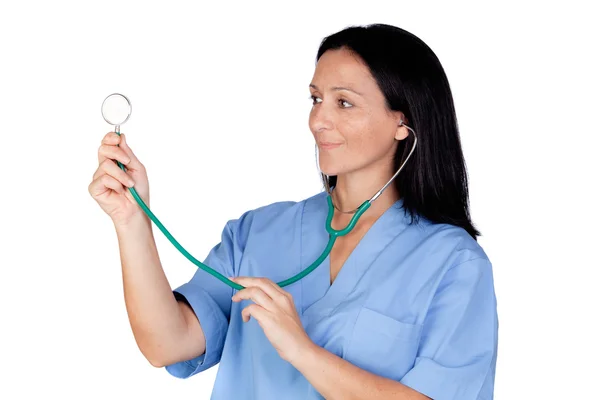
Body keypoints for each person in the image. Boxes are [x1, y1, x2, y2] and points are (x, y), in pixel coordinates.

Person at [89, 23, 498, 400]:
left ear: (402, 122)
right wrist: (131, 221)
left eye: (344, 103)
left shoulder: (453, 263)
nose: (319, 119)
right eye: (317, 98)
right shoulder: (257, 233)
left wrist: (301, 350)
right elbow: (167, 344)